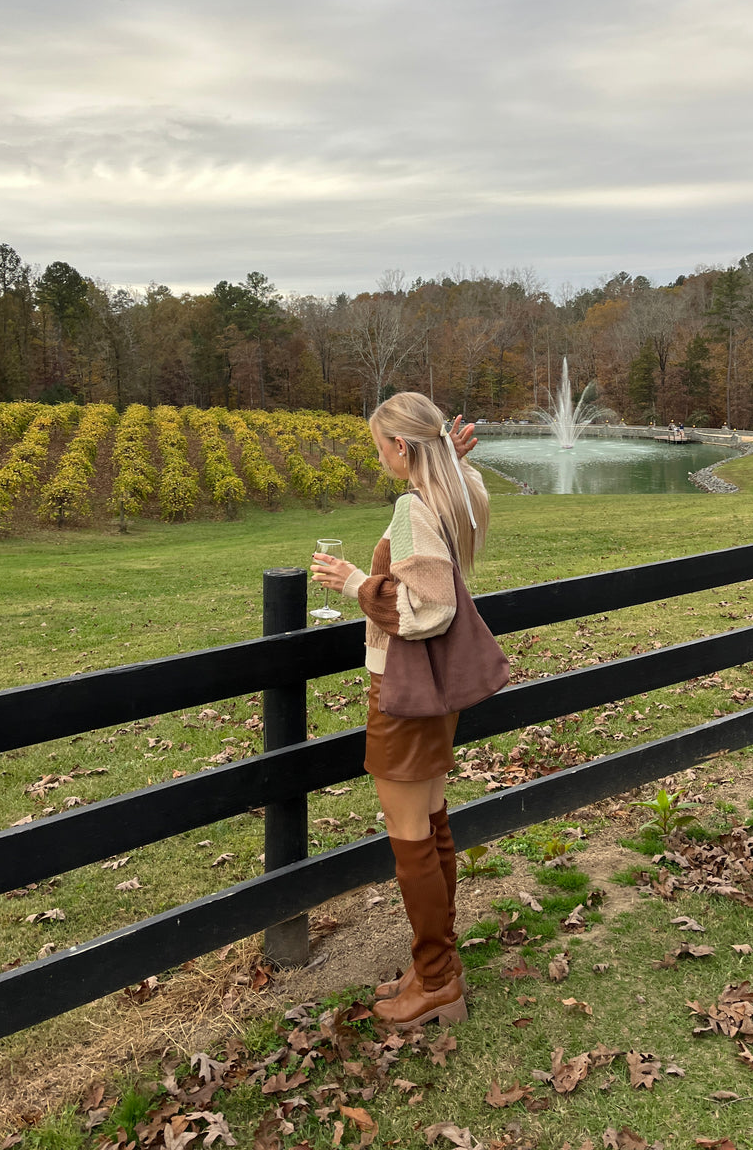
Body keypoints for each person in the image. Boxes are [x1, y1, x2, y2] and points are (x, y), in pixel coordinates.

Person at [311, 392, 488, 1030]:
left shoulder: (415, 507)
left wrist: (357, 581)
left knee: (410, 835)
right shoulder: (457, 495)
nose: (379, 456)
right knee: (433, 822)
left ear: (403, 448)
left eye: (382, 446)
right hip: (434, 695)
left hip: (405, 692)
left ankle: (437, 980)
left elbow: (428, 609)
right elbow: (454, 495)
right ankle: (436, 966)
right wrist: (450, 461)